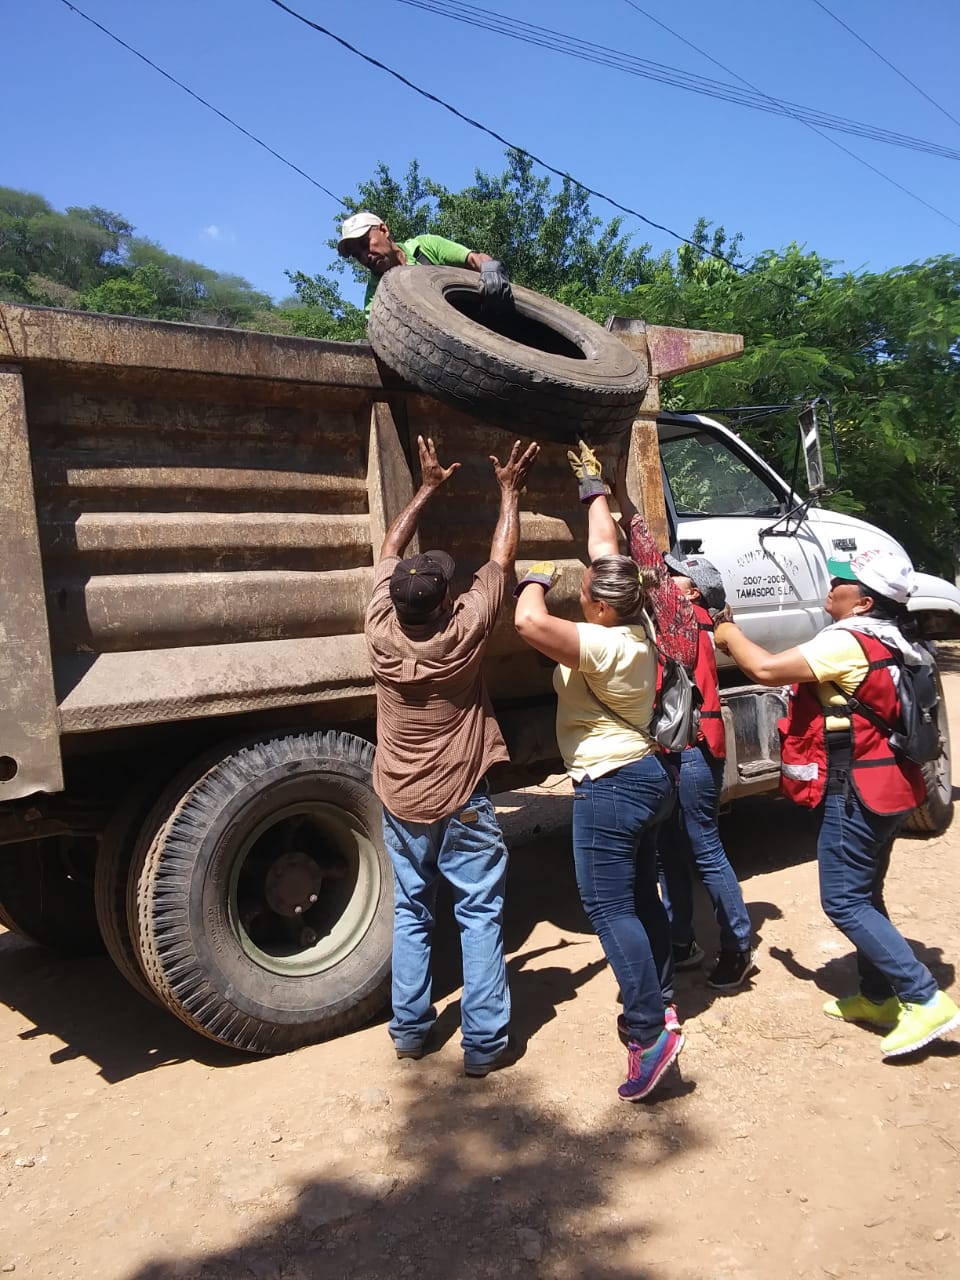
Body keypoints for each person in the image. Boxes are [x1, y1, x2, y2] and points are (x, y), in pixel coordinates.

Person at [714, 547, 959, 1058]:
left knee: (844, 900)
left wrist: (728, 631)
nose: (830, 586)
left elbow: (765, 669)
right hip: (897, 785)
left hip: (859, 792)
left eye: (841, 582)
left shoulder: (848, 642)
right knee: (866, 893)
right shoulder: (898, 638)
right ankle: (878, 997)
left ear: (864, 602)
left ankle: (923, 998)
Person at [514, 441, 697, 1102]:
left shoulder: (602, 645)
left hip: (612, 785)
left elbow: (528, 621)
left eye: (586, 592)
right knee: (641, 898)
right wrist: (593, 485)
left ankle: (648, 1033)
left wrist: (535, 575)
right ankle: (662, 1001)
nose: (583, 589)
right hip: (646, 779)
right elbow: (604, 548)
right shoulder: (638, 619)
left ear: (597, 608)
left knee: (608, 906)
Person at [364, 433, 539, 1077]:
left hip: (400, 796)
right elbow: (501, 557)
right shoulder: (464, 633)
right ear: (445, 602)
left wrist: (426, 488)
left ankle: (411, 1031)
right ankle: (485, 1043)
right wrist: (509, 490)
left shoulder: (379, 631)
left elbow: (388, 551)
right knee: (479, 913)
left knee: (412, 911)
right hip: (462, 797)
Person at [657, 553, 756, 991]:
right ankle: (680, 941)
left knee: (703, 847)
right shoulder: (684, 616)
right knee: (669, 848)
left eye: (675, 575)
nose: (666, 576)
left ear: (694, 592)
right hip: (679, 747)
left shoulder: (688, 617)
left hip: (694, 748)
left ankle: (738, 944)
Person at [337, 211, 512, 319]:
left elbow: (475, 259)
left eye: (364, 244)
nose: (364, 256)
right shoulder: (375, 296)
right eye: (356, 255)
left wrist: (490, 270)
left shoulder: (425, 247)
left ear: (384, 230)